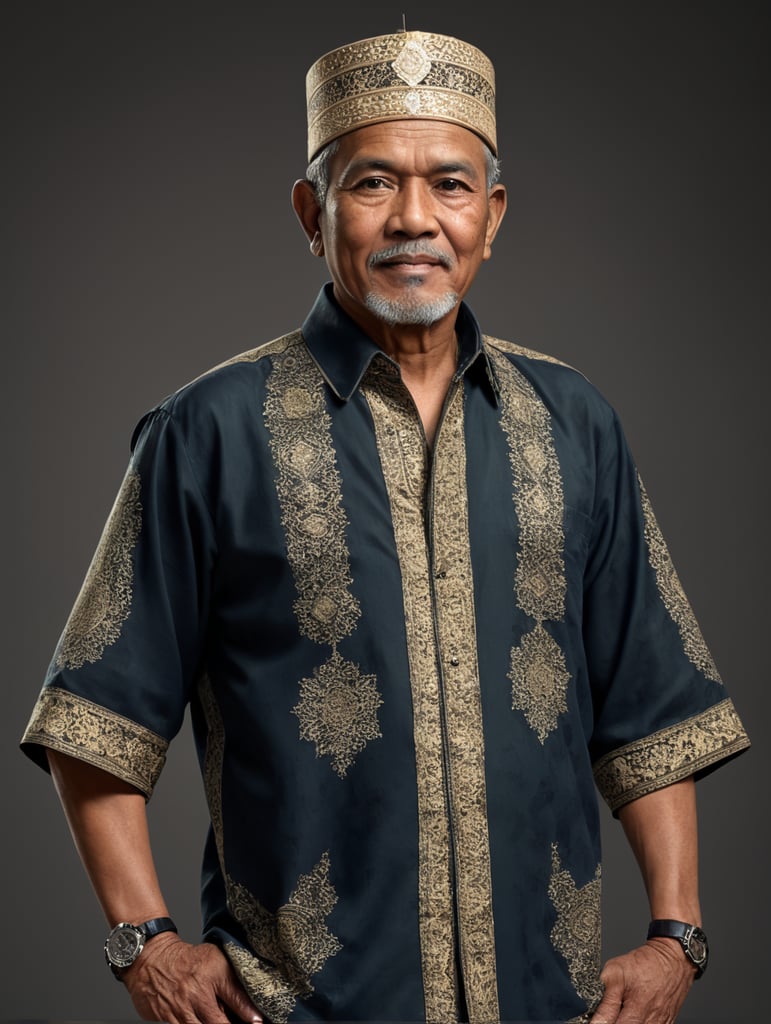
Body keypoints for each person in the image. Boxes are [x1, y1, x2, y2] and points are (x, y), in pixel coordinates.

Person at [21, 27, 750, 1024]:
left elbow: (652, 708)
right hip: (297, 1008)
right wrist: (143, 943)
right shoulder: (209, 430)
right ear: (311, 212)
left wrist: (678, 934)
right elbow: (95, 719)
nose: (416, 218)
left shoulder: (577, 423)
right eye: (373, 184)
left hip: (549, 1006)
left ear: (490, 217)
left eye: (449, 185)